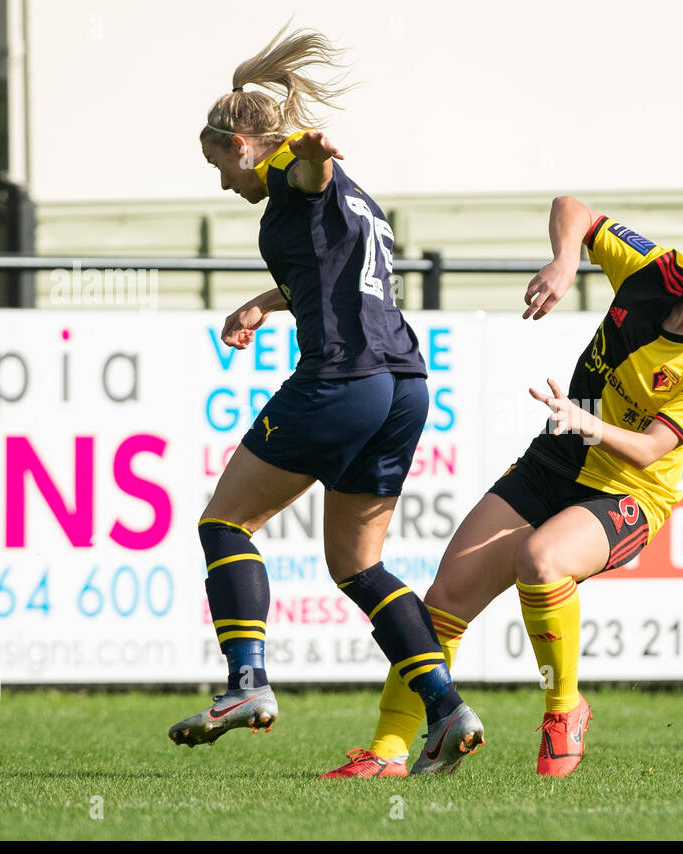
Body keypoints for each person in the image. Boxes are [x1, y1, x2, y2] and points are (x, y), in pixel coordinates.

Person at [321, 194, 683, 778]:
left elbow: (650, 449)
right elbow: (574, 208)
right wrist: (564, 261)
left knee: (542, 559)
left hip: (628, 492)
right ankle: (387, 752)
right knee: (446, 597)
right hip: (554, 460)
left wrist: (591, 423)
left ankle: (565, 709)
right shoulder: (654, 269)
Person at [168, 24, 483, 776]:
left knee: (224, 521)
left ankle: (246, 683)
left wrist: (307, 154)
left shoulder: (292, 172)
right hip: (403, 386)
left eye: (218, 163)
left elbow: (305, 175)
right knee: (357, 562)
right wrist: (261, 303)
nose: (220, 183)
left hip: (343, 379)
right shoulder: (352, 194)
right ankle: (445, 706)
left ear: (241, 146)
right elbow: (330, 266)